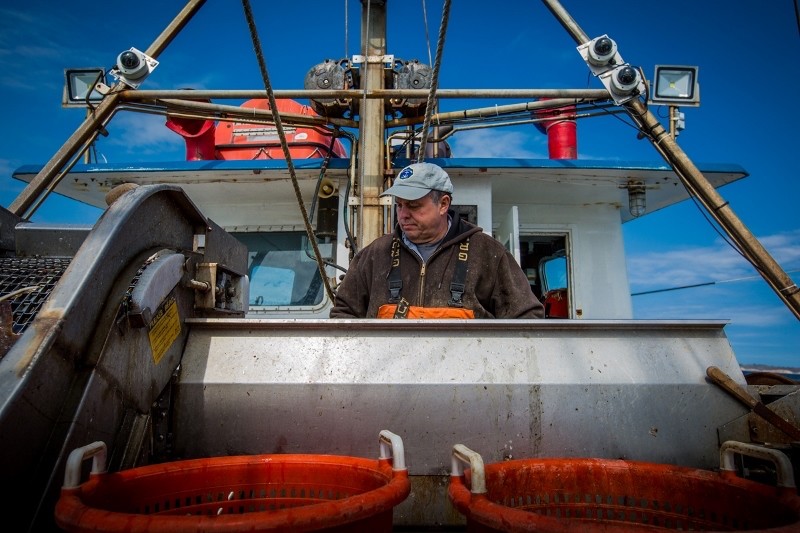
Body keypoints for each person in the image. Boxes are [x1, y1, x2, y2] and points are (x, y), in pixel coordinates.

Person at [330, 162, 544, 319]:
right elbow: (344, 316)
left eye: (413, 205)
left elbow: (527, 319)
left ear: (443, 204)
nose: (403, 214)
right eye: (399, 205)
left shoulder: (488, 253)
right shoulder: (375, 254)